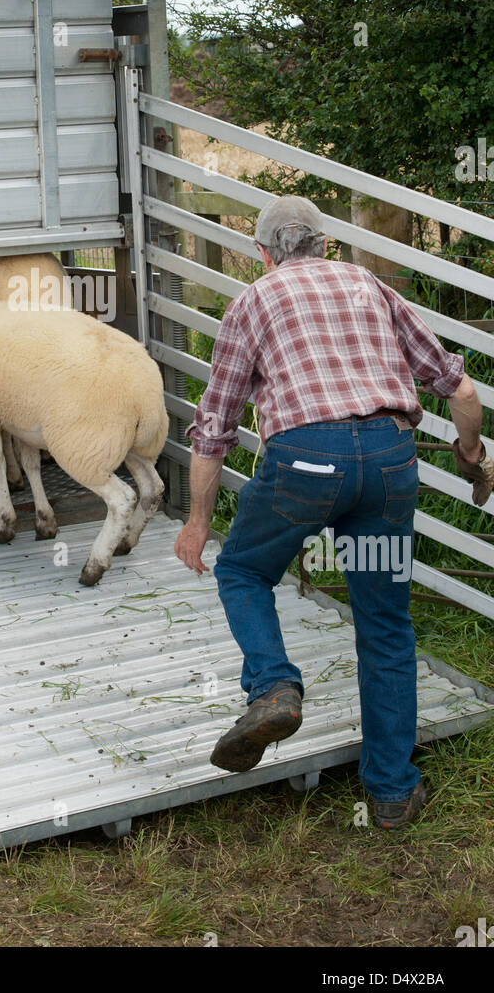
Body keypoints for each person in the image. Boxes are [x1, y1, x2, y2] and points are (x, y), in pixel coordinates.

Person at [174, 196, 492, 829]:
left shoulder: (253, 301)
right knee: (385, 626)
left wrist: (198, 522)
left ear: (262, 254)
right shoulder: (368, 284)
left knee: (243, 572)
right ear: (325, 244)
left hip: (306, 465)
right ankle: (393, 794)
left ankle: (274, 688)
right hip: (387, 465)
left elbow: (215, 429)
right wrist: (472, 454)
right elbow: (459, 388)